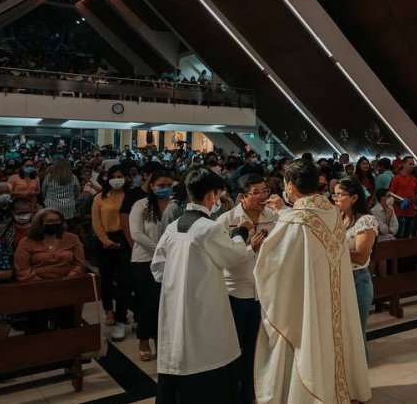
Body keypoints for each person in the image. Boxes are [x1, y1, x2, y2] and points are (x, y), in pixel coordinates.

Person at [253, 160, 371, 403]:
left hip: (307, 299)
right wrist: (284, 211)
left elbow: (273, 265)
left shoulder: (294, 220)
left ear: (292, 186)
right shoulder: (331, 212)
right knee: (334, 340)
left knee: (309, 341)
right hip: (334, 294)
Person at [152, 169, 264, 404]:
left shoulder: (173, 228)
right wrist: (241, 233)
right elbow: (232, 257)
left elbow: (158, 268)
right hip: (203, 304)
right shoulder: (209, 228)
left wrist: (181, 279)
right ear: (211, 196)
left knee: (179, 354)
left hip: (174, 305)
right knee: (207, 357)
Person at [216, 174, 279, 402]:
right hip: (236, 293)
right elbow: (222, 259)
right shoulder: (226, 221)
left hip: (264, 292)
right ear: (242, 196)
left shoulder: (273, 217)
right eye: (257, 192)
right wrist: (248, 248)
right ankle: (232, 391)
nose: (264, 196)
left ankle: (252, 391)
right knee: (234, 348)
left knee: (258, 347)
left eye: (265, 191)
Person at [14, 208, 84, 333]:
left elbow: (79, 264)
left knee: (69, 314)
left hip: (67, 285)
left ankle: (70, 342)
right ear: (40, 223)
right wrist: (43, 285)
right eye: (50, 221)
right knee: (37, 321)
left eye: (57, 221)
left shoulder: (72, 238)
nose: (54, 224)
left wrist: (69, 278)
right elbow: (22, 269)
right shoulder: (27, 242)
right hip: (37, 288)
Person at [129, 169, 174, 362]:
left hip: (170, 260)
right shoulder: (141, 205)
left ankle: (161, 341)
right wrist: (160, 249)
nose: (165, 189)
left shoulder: (174, 205)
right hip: (144, 259)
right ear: (152, 186)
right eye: (161, 186)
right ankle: (144, 339)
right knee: (148, 302)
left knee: (165, 303)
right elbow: (136, 234)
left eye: (168, 186)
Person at [334, 178, 378, 347]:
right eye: (335, 194)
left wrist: (334, 250)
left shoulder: (365, 220)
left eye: (340, 195)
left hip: (357, 279)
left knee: (355, 333)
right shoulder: (339, 218)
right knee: (341, 331)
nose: (336, 199)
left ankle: (359, 371)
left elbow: (361, 256)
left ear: (354, 198)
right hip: (339, 277)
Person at [91, 166, 131, 339]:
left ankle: (121, 316)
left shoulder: (129, 197)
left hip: (125, 238)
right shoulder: (100, 197)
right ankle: (108, 309)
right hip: (105, 240)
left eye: (120, 176)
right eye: (113, 176)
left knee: (124, 279)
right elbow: (96, 222)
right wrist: (106, 241)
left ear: (126, 177)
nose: (117, 179)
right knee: (106, 277)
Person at [389, 156, 417, 238]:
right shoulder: (396, 178)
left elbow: (415, 194)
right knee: (399, 237)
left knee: (406, 237)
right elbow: (390, 194)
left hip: (410, 212)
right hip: (399, 212)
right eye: (410, 164)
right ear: (403, 164)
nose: (412, 166)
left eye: (413, 164)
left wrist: (416, 206)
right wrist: (401, 200)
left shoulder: (414, 179)